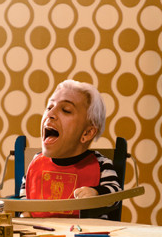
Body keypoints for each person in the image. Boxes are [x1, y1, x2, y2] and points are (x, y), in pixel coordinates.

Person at [18, 79, 121, 218]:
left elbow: (116, 196)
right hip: (41, 230)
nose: (50, 114)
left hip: (86, 231)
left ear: (87, 133)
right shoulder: (36, 162)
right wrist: (25, 213)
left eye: (66, 110)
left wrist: (96, 193)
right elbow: (25, 196)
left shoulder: (101, 165)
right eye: (49, 107)